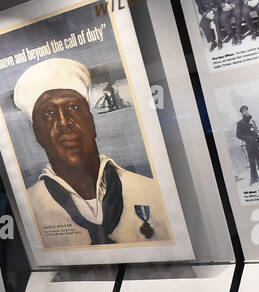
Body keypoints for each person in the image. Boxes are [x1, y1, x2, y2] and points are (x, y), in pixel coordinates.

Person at [14, 58, 168, 247]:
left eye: (73, 108)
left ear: (91, 123)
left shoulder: (152, 192)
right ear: (38, 134)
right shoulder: (30, 210)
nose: (64, 122)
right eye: (49, 114)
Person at [236, 104, 259, 185]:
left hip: (257, 144)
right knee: (252, 163)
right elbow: (238, 135)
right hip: (249, 145)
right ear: (241, 113)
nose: (245, 112)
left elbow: (258, 131)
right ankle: (254, 179)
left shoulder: (253, 121)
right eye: (243, 111)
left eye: (246, 110)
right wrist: (247, 138)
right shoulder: (240, 123)